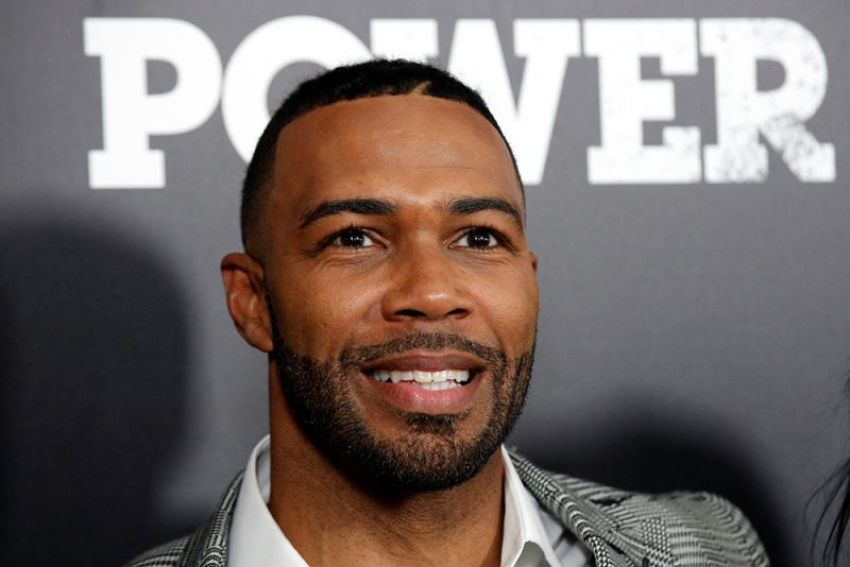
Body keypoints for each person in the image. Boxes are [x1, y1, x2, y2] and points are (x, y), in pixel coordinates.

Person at [126, 59, 768, 567]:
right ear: (253, 302)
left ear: (530, 279)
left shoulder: (708, 549)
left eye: (481, 238)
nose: (433, 293)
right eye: (354, 238)